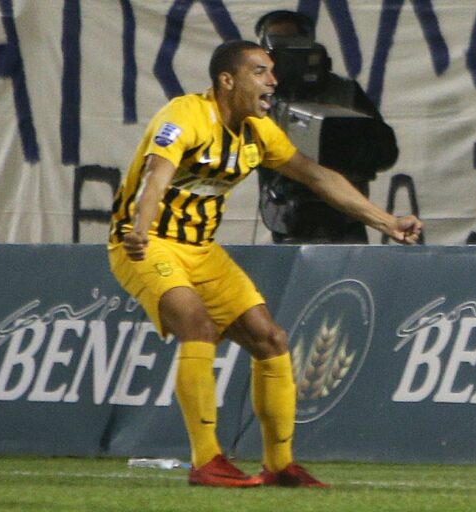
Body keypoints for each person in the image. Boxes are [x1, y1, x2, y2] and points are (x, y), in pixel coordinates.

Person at [107, 40, 422, 487]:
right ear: (227, 80)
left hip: (200, 249)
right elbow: (155, 178)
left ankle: (279, 465)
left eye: (271, 72)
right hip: (147, 243)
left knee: (270, 338)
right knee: (197, 325)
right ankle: (207, 461)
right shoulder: (185, 115)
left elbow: (316, 176)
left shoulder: (258, 131)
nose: (273, 81)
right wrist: (139, 228)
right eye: (259, 72)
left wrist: (387, 221)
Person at [253, 10, 399, 244]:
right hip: (287, 216)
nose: (286, 52)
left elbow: (385, 152)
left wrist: (343, 143)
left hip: (345, 217)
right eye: (277, 44)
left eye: (292, 40)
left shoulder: (344, 92)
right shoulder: (259, 96)